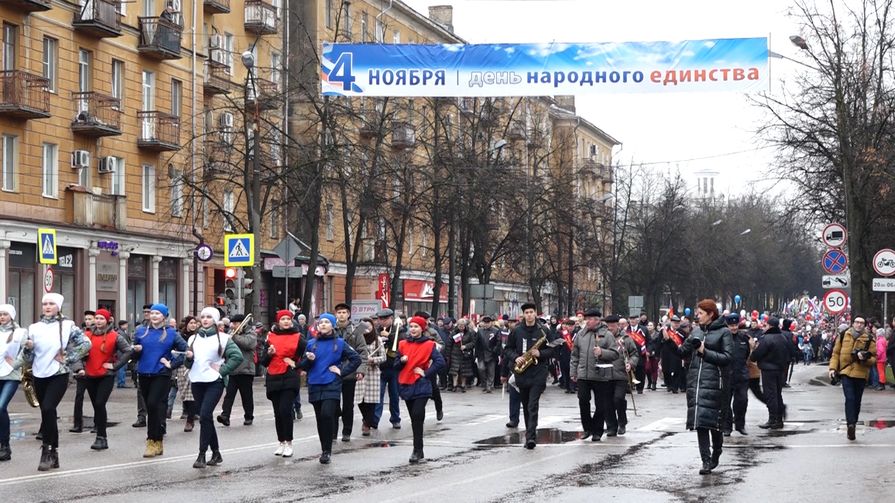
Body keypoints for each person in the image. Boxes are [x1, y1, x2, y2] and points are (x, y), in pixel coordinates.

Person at [21, 293, 91, 471]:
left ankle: (46, 451)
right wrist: (27, 348)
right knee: (46, 413)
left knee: (48, 408)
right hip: (39, 373)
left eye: (51, 304)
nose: (47, 307)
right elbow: (28, 357)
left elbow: (86, 344)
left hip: (58, 373)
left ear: (59, 306)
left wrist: (67, 358)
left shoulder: (68, 325)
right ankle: (55, 453)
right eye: (45, 304)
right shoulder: (34, 327)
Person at [678, 299, 732, 475]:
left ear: (710, 314)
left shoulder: (724, 332)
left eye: (700, 313)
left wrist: (704, 351)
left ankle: (716, 451)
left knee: (714, 424)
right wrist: (670, 339)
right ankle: (706, 460)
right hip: (696, 383)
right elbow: (682, 351)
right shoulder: (695, 331)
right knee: (700, 423)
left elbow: (727, 357)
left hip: (715, 383)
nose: (697, 316)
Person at [185, 307, 243, 468]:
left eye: (209, 317)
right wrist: (188, 358)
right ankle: (216, 453)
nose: (204, 320)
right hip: (196, 380)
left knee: (204, 415)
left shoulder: (224, 338)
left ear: (215, 320)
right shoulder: (193, 339)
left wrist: (222, 370)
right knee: (206, 418)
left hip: (214, 381)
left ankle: (202, 454)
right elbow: (188, 363)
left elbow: (237, 356)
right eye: (202, 316)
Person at [300, 313, 361, 464]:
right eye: (321, 322)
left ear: (332, 325)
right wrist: (308, 360)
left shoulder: (340, 343)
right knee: (320, 418)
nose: (323, 324)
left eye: (327, 322)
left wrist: (342, 372)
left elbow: (356, 358)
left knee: (327, 415)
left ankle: (327, 451)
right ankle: (324, 449)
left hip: (331, 383)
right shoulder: (311, 343)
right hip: (315, 383)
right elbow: (303, 366)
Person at [132, 303, 187, 458]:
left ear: (164, 316)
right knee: (152, 409)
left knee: (153, 404)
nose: (154, 315)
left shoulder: (171, 333)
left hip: (161, 374)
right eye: (152, 313)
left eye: (157, 313)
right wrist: (135, 352)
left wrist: (171, 364)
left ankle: (152, 441)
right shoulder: (141, 332)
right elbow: (133, 354)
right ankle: (158, 440)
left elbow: (185, 351)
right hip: (144, 373)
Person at [504, 302, 558, 449]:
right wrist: (516, 357)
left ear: (535, 313)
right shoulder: (516, 331)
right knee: (526, 405)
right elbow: (508, 349)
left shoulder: (543, 330)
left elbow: (553, 350)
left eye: (531, 312)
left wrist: (540, 353)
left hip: (538, 372)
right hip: (522, 372)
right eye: (526, 313)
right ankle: (530, 431)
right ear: (523, 315)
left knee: (533, 405)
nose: (529, 315)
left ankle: (531, 437)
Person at [80, 308, 133, 450]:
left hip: (106, 375)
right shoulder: (86, 335)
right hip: (90, 375)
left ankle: (101, 437)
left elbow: (128, 351)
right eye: (96, 318)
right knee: (96, 406)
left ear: (108, 320)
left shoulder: (115, 336)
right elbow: (76, 352)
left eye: (101, 319)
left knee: (99, 403)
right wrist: (80, 366)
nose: (98, 321)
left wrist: (115, 366)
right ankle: (100, 432)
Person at [396, 316, 445, 463]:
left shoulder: (429, 344)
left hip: (421, 384)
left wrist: (426, 373)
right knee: (414, 419)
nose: (413, 329)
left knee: (418, 414)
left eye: (416, 327)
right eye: (411, 326)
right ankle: (419, 449)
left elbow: (440, 361)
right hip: (406, 383)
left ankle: (417, 450)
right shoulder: (402, 344)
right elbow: (395, 365)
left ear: (422, 329)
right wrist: (401, 361)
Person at [262, 310, 306, 457]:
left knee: (285, 410)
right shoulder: (270, 337)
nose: (286, 321)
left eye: (288, 319)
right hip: (273, 376)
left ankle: (289, 442)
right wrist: (269, 353)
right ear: (278, 322)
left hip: (289, 376)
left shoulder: (298, 337)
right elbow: (263, 361)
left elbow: (307, 355)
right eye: (283, 319)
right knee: (277, 413)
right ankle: (280, 442)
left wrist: (297, 364)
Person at [570, 308, 618, 442]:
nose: (587, 321)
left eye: (590, 319)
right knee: (583, 401)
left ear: (597, 320)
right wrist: (573, 371)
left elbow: (615, 353)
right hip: (583, 375)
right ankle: (587, 428)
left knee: (600, 405)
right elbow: (574, 355)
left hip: (600, 375)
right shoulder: (581, 334)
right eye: (587, 319)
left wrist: (602, 352)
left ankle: (597, 431)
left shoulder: (606, 334)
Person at [829, 315, 877, 441]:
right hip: (846, 372)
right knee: (849, 398)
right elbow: (835, 353)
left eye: (862, 323)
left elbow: (874, 359)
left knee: (857, 400)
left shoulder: (869, 338)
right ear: (853, 323)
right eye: (857, 322)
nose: (859, 325)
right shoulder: (844, 335)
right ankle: (850, 424)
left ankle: (853, 422)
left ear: (865, 325)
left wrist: (865, 358)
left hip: (861, 374)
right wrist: (832, 369)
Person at [750, 317, 797, 430]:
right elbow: (791, 351)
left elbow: (756, 355)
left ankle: (773, 419)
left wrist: (754, 354)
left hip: (768, 370)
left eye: (765, 325)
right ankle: (779, 419)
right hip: (780, 369)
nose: (764, 327)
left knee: (771, 395)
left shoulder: (766, 339)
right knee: (777, 394)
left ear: (770, 326)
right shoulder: (783, 337)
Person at [332, 303, 369, 442]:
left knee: (348, 404)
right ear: (336, 314)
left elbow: (362, 352)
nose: (341, 315)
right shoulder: (331, 329)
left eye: (344, 312)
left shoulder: (355, 331)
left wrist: (360, 370)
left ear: (348, 314)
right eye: (339, 312)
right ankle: (333, 432)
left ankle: (346, 431)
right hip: (333, 371)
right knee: (333, 404)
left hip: (350, 371)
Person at [217, 314, 257, 427]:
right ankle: (225, 416)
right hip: (232, 369)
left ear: (241, 323)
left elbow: (249, 344)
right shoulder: (231, 334)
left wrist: (233, 337)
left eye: (235, 324)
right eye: (232, 324)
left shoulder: (251, 333)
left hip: (246, 369)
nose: (233, 326)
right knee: (229, 394)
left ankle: (249, 416)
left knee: (246, 395)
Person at [0, 303, 26, 462]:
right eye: (0, 314)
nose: (2, 317)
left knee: (0, 406)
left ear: (12, 316)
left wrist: (15, 363)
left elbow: (27, 352)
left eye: (5, 314)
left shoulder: (20, 333)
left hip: (11, 375)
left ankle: (5, 445)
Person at [605, 315, 639, 436]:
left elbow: (634, 354)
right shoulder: (602, 338)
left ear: (617, 326)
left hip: (621, 374)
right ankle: (611, 426)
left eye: (612, 326)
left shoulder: (626, 338)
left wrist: (631, 363)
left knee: (618, 399)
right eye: (608, 326)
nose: (610, 329)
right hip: (605, 374)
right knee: (607, 402)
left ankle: (622, 422)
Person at [373, 308, 403, 429]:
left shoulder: (398, 330)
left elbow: (401, 343)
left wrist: (389, 337)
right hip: (380, 367)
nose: (382, 322)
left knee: (394, 395)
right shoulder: (375, 331)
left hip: (394, 367)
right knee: (378, 395)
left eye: (385, 319)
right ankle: (374, 420)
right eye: (380, 319)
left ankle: (395, 419)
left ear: (391, 318)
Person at [723, 313, 750, 436]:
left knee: (742, 401)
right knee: (725, 403)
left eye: (735, 325)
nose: (734, 328)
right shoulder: (723, 338)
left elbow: (746, 354)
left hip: (741, 375)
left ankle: (740, 425)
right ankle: (727, 427)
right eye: (731, 325)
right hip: (727, 375)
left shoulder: (743, 337)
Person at [355, 319, 384, 436]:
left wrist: (374, 360)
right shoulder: (356, 340)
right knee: (359, 399)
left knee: (371, 400)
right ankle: (365, 418)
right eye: (364, 326)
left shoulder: (378, 340)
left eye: (369, 326)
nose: (366, 328)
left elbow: (383, 357)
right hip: (359, 372)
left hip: (373, 373)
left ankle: (367, 424)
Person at [70, 310, 96, 433]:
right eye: (86, 319)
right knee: (79, 397)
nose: (88, 321)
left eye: (90, 319)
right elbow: (75, 353)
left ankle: (98, 423)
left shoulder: (99, 334)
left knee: (96, 398)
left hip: (95, 370)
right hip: (82, 370)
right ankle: (77, 424)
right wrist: (79, 368)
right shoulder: (80, 335)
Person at [175, 316, 199, 431]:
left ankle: (190, 419)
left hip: (195, 365)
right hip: (181, 365)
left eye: (195, 323)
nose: (193, 325)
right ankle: (188, 411)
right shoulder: (180, 336)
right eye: (191, 323)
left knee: (192, 393)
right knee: (184, 392)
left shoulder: (199, 336)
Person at [132, 304, 153, 428]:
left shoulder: (162, 328)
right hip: (142, 364)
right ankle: (141, 417)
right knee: (141, 392)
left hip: (157, 365)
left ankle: (157, 418)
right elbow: (134, 346)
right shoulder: (139, 328)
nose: (146, 314)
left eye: (148, 311)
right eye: (144, 311)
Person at [448, 318, 476, 392]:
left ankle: (463, 385)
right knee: (455, 371)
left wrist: (466, 346)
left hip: (465, 354)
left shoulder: (470, 333)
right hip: (455, 354)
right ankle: (455, 385)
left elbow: (473, 343)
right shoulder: (454, 332)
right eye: (460, 325)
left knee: (464, 371)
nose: (461, 327)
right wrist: (448, 354)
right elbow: (449, 344)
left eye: (463, 326)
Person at [475, 316, 501, 393]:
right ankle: (485, 383)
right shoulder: (480, 331)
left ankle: (489, 386)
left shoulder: (496, 331)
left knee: (491, 371)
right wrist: (476, 354)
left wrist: (495, 351)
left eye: (488, 323)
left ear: (491, 323)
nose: (486, 324)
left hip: (492, 354)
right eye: (485, 323)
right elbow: (477, 343)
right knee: (481, 369)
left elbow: (498, 342)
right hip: (482, 354)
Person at [661, 316, 686, 393]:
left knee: (677, 371)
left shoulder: (681, 332)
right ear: (671, 322)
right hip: (666, 354)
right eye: (674, 322)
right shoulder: (665, 331)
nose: (676, 324)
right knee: (666, 371)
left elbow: (685, 342)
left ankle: (675, 387)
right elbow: (659, 342)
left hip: (677, 354)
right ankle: (669, 385)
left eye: (678, 323)